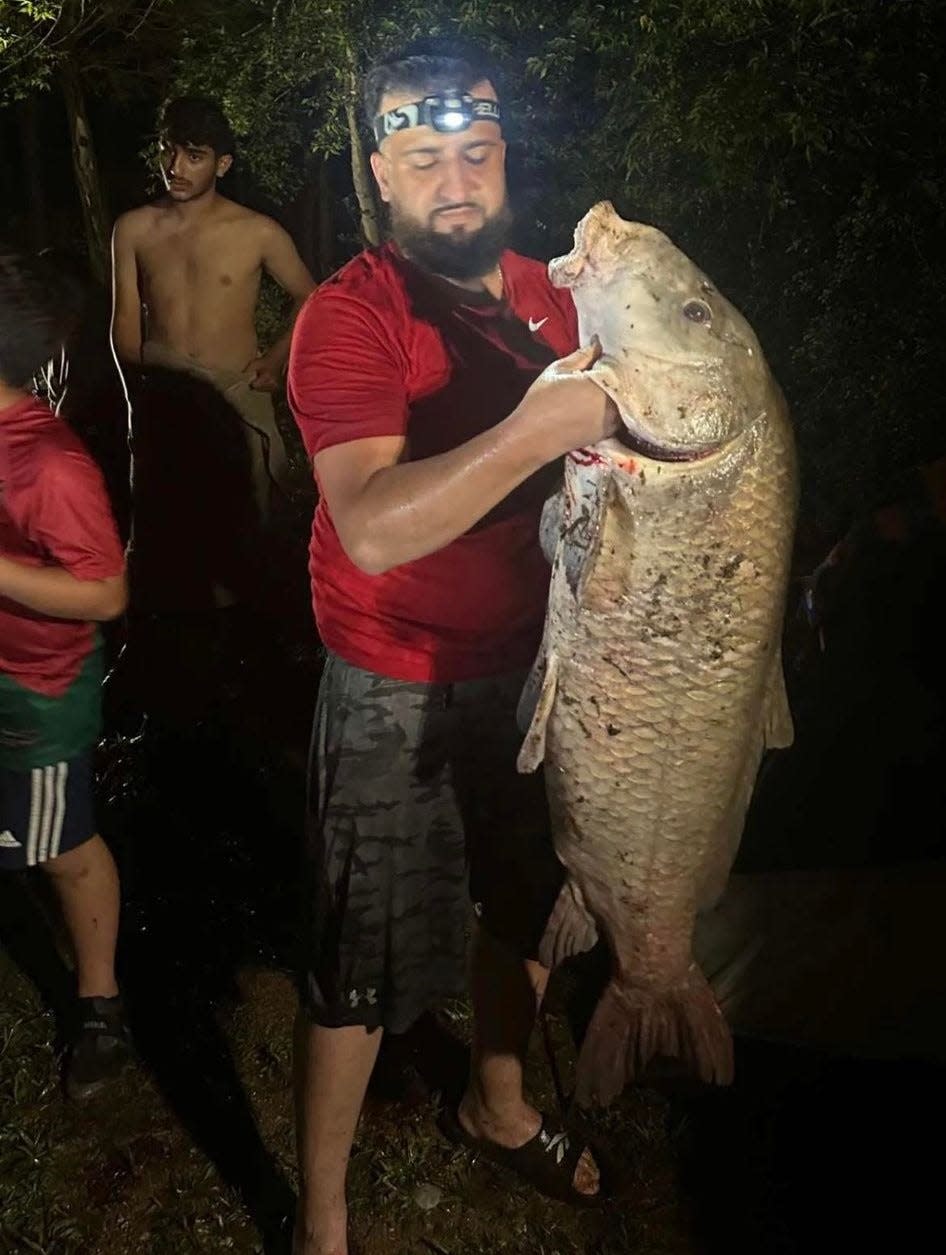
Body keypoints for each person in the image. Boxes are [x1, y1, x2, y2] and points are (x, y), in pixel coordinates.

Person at [287, 41, 619, 1255]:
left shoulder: (563, 297)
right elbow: (370, 528)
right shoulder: (350, 317)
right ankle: (322, 1217)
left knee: (529, 908)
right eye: (424, 158)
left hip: (541, 675)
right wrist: (538, 426)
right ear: (380, 170)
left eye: (476, 153)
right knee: (360, 960)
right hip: (397, 674)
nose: (456, 180)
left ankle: (498, 1102)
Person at [0, 249, 132, 1100]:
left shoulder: (48, 464)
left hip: (38, 691)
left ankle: (100, 1005)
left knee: (62, 846)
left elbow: (105, 590)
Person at [110, 95, 316, 534]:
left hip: (235, 396)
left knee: (243, 536)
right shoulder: (132, 229)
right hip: (165, 400)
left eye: (194, 156)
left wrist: (275, 360)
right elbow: (124, 335)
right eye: (168, 150)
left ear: (221, 165)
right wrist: (138, 403)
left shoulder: (258, 232)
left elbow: (312, 297)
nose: (176, 167)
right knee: (164, 537)